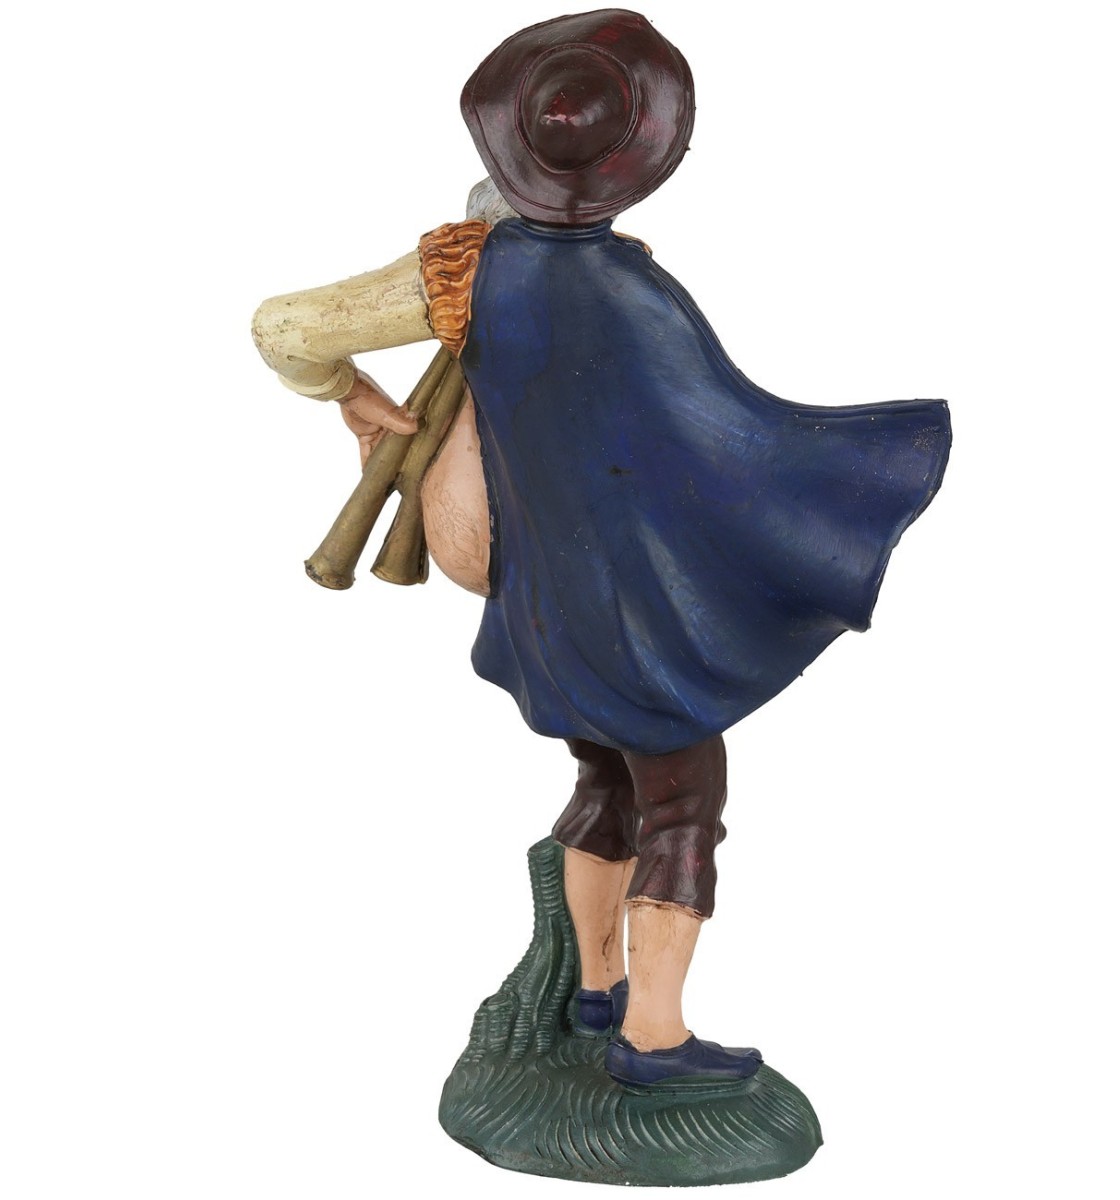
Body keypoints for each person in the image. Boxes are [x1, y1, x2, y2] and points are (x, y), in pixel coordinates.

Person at [252, 9, 951, 1091]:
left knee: (602, 781)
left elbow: (284, 328)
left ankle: (596, 990)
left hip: (543, 605)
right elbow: (724, 433)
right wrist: (865, 465)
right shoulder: (635, 288)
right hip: (638, 616)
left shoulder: (459, 268)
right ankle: (654, 1040)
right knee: (680, 804)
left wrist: (345, 391)